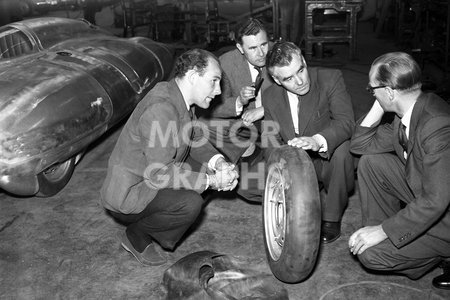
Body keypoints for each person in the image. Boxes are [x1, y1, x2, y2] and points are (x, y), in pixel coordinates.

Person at [100, 49, 239, 266]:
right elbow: (160, 173)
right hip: (132, 192)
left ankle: (156, 220)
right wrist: (212, 181)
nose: (218, 90)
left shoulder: (179, 98)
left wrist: (219, 163)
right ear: (193, 76)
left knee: (204, 175)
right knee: (190, 203)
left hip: (152, 176)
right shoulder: (161, 108)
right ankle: (136, 235)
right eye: (214, 81)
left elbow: (194, 139)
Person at [348, 52, 450, 289]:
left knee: (370, 256)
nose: (372, 92)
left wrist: (384, 231)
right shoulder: (410, 110)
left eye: (372, 88)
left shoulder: (438, 126)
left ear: (391, 91)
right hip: (425, 189)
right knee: (372, 163)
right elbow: (360, 146)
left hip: (444, 215)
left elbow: (436, 201)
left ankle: (442, 252)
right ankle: (380, 232)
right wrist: (381, 103)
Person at [241, 41, 355, 243]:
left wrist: (316, 140)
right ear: (276, 80)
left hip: (326, 160)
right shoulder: (270, 96)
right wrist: (281, 166)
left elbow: (345, 122)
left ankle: (331, 217)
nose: (300, 81)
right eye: (288, 78)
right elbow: (270, 138)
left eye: (300, 70)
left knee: (343, 150)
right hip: (294, 161)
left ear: (303, 60)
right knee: (244, 185)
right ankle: (302, 194)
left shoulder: (330, 79)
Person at [197, 18, 274, 165]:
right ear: (240, 48)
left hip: (276, 120)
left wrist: (264, 109)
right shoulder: (225, 63)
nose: (261, 53)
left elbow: (299, 93)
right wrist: (239, 101)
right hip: (243, 124)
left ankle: (258, 151)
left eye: (264, 45)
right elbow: (213, 107)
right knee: (201, 125)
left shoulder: (279, 55)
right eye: (252, 48)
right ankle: (247, 151)